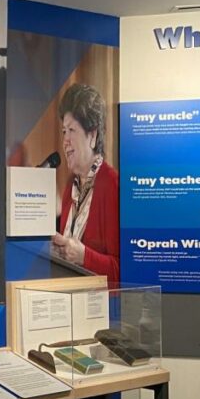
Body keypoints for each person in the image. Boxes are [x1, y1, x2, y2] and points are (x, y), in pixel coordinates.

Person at [51, 84, 120, 286]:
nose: (65, 141)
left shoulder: (112, 186)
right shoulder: (69, 188)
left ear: (93, 136)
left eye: (71, 130)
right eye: (64, 131)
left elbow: (123, 272)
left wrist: (84, 257)